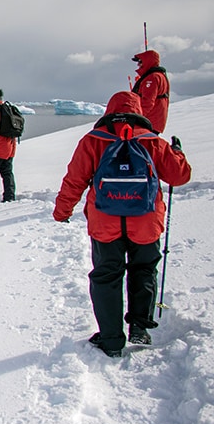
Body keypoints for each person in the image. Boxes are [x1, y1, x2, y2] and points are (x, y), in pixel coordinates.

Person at [53, 91, 191, 357]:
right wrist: (177, 152)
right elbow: (179, 175)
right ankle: (140, 326)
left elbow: (74, 180)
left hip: (105, 223)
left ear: (109, 111)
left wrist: (62, 211)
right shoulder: (152, 141)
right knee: (144, 270)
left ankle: (111, 339)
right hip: (146, 222)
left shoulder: (93, 141)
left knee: (106, 276)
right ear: (139, 111)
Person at [132, 50, 170, 133]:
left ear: (147, 62)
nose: (138, 64)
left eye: (140, 61)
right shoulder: (160, 76)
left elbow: (147, 102)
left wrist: (136, 117)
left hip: (149, 121)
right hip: (156, 121)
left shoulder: (151, 78)